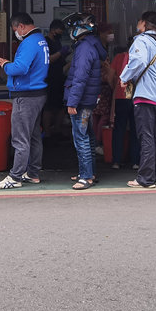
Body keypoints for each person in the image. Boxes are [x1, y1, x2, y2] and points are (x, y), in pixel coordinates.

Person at [0, 13, 49, 190]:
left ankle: (15, 176)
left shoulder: (29, 43)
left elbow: (20, 68)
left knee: (20, 138)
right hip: (38, 94)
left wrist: (5, 65)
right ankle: (32, 173)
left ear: (21, 26)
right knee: (33, 136)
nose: (16, 33)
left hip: (26, 96)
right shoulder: (41, 39)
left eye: (15, 30)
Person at [119, 11, 156, 188]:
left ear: (145, 23)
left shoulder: (141, 40)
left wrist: (124, 77)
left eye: (139, 21)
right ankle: (154, 174)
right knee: (154, 136)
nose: (137, 24)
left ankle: (145, 178)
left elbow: (138, 61)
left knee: (145, 136)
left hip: (145, 93)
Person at [64, 12, 106, 190]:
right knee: (88, 137)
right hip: (88, 99)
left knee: (80, 138)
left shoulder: (84, 49)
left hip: (81, 101)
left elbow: (80, 78)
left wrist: (72, 102)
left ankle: (86, 177)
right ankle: (88, 172)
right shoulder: (92, 45)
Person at [110, 39, 135, 170]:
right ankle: (136, 161)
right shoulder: (140, 57)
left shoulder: (119, 57)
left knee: (119, 128)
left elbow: (110, 75)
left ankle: (116, 161)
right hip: (137, 96)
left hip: (121, 95)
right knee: (136, 129)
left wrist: (114, 87)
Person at [43, 19, 70, 137]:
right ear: (53, 30)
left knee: (61, 106)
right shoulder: (46, 41)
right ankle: (47, 132)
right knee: (49, 107)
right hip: (50, 78)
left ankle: (57, 130)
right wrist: (60, 53)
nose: (61, 34)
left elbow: (61, 60)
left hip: (60, 77)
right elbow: (47, 60)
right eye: (60, 31)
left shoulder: (57, 42)